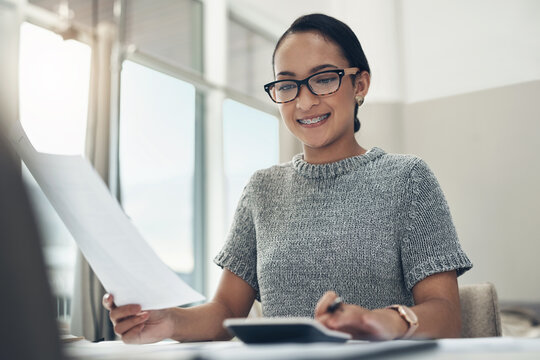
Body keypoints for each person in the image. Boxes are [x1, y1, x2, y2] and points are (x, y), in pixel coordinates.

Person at [103, 13, 472, 343]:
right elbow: (224, 313)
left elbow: (446, 314)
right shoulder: (262, 189)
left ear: (359, 85)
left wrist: (381, 322)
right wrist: (166, 322)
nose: (304, 102)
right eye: (287, 85)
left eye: (323, 79)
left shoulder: (407, 178)